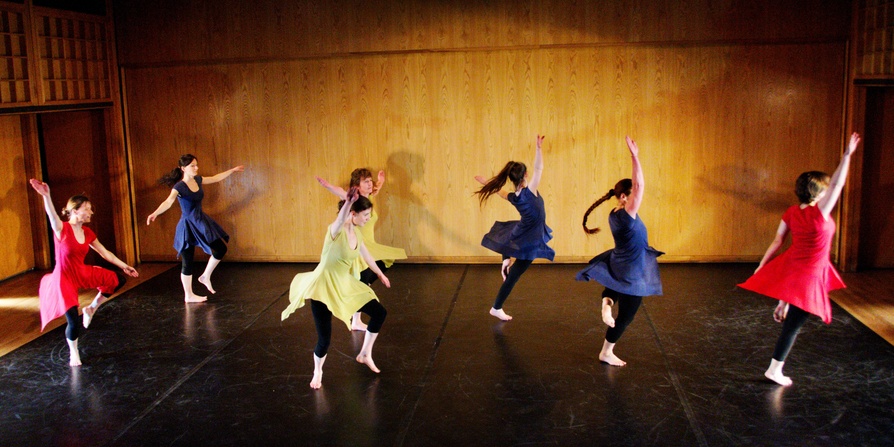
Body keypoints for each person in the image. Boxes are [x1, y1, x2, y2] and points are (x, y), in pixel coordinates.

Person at [739, 133, 861, 386]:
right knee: (793, 326)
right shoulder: (820, 212)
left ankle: (783, 311)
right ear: (820, 192)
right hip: (809, 273)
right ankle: (774, 369)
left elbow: (777, 242)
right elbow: (838, 185)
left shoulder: (792, 212)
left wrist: (763, 267)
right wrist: (847, 156)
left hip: (797, 268)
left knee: (792, 317)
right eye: (826, 188)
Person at [281, 187, 390, 389]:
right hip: (323, 289)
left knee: (379, 312)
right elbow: (340, 220)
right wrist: (348, 201)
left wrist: (381, 274)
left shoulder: (357, 233)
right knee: (324, 339)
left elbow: (366, 256)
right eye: (365, 215)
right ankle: (318, 371)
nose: (369, 218)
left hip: (343, 286)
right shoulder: (335, 231)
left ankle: (365, 353)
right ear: (353, 213)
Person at [29, 179, 139, 366]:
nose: (91, 212)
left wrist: (124, 266)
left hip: (81, 271)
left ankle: (92, 308)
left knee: (117, 280)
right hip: (64, 278)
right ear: (74, 211)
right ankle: (74, 353)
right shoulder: (61, 229)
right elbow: (52, 215)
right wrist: (46, 195)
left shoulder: (87, 232)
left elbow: (105, 253)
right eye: (87, 209)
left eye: (90, 209)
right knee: (73, 321)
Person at [575, 136, 663, 367]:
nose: (637, 198)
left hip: (620, 260)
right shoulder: (627, 214)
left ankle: (607, 303)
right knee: (627, 316)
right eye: (632, 195)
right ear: (624, 197)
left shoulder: (615, 212)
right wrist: (635, 156)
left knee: (616, 287)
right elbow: (640, 185)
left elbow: (637, 188)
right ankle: (606, 352)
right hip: (632, 267)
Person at [474, 135, 554, 321]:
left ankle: (505, 261)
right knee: (515, 275)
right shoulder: (530, 191)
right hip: (530, 237)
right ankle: (496, 307)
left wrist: (486, 183)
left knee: (509, 235)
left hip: (523, 231)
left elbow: (500, 192)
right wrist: (538, 149)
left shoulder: (515, 196)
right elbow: (539, 168)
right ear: (525, 175)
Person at [316, 168, 406, 331]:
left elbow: (375, 189)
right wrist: (327, 185)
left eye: (371, 181)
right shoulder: (353, 200)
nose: (370, 184)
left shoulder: (368, 198)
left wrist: (380, 182)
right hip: (357, 247)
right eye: (366, 182)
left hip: (369, 246)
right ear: (357, 186)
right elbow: (339, 191)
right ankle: (355, 319)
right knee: (362, 281)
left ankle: (356, 318)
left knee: (378, 268)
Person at [146, 154, 243, 302]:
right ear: (183, 168)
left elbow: (215, 178)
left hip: (200, 221)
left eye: (196, 165)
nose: (196, 168)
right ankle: (189, 295)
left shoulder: (198, 180)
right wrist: (155, 213)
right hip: (187, 225)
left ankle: (205, 276)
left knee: (221, 249)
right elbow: (168, 202)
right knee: (188, 261)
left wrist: (232, 170)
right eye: (192, 166)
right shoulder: (179, 187)